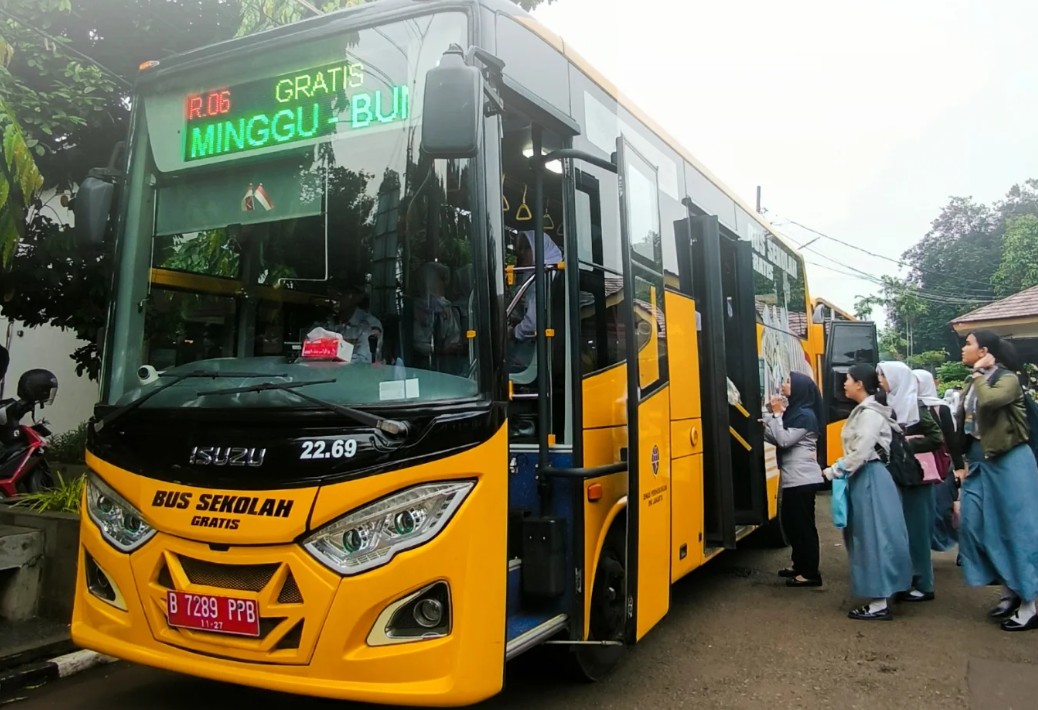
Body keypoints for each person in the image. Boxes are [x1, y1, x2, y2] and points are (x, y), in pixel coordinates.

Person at [954, 330, 1038, 632]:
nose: (963, 348)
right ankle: (1011, 587)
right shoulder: (971, 381)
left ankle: (1029, 602)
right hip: (980, 463)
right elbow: (965, 424)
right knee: (973, 525)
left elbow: (990, 402)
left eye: (968, 344)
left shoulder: (1007, 379)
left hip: (1010, 461)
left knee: (1017, 530)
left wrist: (979, 374)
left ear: (984, 351)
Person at [823, 364, 912, 621]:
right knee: (875, 535)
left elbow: (860, 452)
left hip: (870, 478)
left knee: (873, 538)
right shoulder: (869, 410)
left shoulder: (869, 413)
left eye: (848, 379)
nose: (844, 384)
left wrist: (834, 470)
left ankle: (878, 602)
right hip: (870, 478)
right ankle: (883, 593)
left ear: (860, 384)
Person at [876, 361, 944, 603]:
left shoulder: (915, 405)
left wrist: (906, 443)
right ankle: (908, 580)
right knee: (903, 530)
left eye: (884, 376)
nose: (880, 380)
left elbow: (936, 438)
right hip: (902, 475)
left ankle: (924, 585)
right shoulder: (890, 403)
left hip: (918, 477)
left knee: (917, 532)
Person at [763, 372, 825, 587]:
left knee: (803, 526)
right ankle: (799, 564)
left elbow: (784, 440)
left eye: (788, 381)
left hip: (803, 479)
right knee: (791, 523)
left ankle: (810, 573)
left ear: (799, 388)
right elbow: (778, 438)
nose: (784, 384)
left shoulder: (805, 415)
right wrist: (767, 424)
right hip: (794, 479)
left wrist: (776, 415)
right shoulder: (796, 412)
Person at [914, 369, 963, 553]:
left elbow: (952, 440)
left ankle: (956, 544)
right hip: (917, 468)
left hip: (940, 467)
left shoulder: (940, 408)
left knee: (942, 509)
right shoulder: (906, 406)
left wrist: (959, 467)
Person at [508, 230, 563, 373]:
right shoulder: (544, 271)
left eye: (527, 248)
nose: (521, 253)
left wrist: (513, 333)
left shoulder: (542, 277)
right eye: (520, 248)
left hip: (537, 350)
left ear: (539, 249)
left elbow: (532, 324)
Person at [320, 282, 383, 364]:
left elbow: (365, 361)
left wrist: (332, 359)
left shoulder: (368, 325)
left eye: (342, 292)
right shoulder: (325, 323)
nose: (334, 297)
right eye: (332, 291)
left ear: (357, 297)